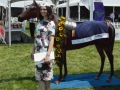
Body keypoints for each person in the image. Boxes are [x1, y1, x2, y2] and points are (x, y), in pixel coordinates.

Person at [30, 3, 55, 90]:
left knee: (47, 77)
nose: (42, 11)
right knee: (40, 76)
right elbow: (36, 37)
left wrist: (48, 55)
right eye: (41, 9)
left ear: (48, 10)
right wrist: (32, 51)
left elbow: (52, 40)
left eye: (44, 9)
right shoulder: (39, 22)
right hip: (38, 52)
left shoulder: (51, 23)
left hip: (46, 51)